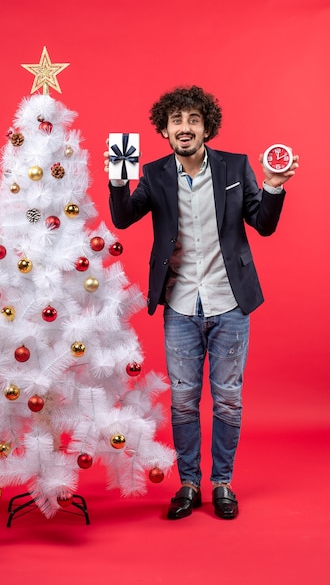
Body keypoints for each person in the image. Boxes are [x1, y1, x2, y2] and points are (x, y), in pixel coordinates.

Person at [105, 85, 299, 520]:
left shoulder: (235, 166)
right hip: (178, 305)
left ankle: (222, 483)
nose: (185, 128)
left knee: (228, 399)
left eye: (193, 120)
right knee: (183, 400)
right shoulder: (154, 174)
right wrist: (119, 178)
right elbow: (122, 218)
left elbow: (262, 225)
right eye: (177, 121)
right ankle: (189, 484)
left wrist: (273, 187)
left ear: (206, 127)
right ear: (165, 130)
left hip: (229, 302)